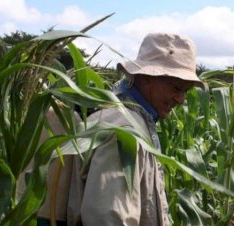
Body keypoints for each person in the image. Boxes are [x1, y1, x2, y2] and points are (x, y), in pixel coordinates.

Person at [67, 32, 204, 226]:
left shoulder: (135, 121)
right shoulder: (123, 131)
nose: (181, 100)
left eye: (185, 91)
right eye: (176, 88)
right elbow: (108, 219)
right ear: (147, 77)